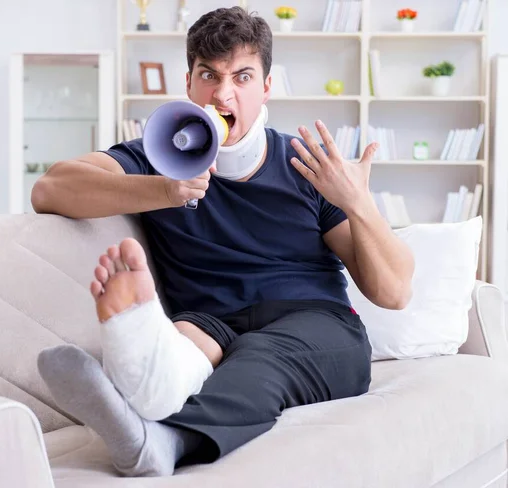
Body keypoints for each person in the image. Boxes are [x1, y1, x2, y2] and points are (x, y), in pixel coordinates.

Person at [33, 6, 415, 478]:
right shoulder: (160, 158)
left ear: (267, 87)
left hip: (316, 324)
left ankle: (171, 439)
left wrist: (359, 204)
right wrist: (165, 190)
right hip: (212, 322)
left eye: (242, 76)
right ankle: (132, 375)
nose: (223, 92)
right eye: (209, 75)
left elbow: (394, 292)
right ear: (189, 85)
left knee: (260, 355)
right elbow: (50, 189)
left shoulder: (309, 169)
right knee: (184, 343)